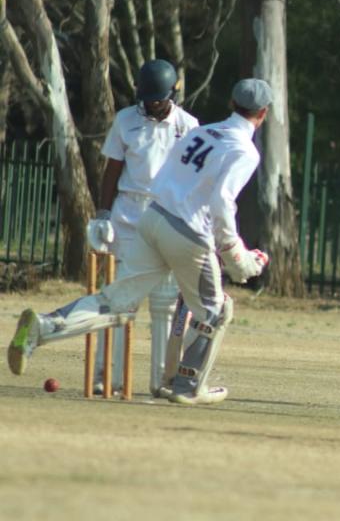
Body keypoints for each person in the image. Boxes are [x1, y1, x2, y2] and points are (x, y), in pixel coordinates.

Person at [7, 79, 273, 405]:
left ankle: (43, 327)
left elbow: (169, 177)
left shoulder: (201, 133)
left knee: (115, 301)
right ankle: (186, 387)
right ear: (263, 113)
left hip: (153, 219)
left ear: (232, 103)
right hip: (188, 234)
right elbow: (221, 201)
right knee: (216, 311)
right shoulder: (245, 150)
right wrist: (236, 255)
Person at [86, 59, 198, 397]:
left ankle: (161, 382)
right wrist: (104, 213)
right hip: (128, 217)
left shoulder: (189, 126)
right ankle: (109, 377)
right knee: (121, 300)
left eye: (157, 100)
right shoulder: (125, 121)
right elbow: (112, 170)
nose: (151, 105)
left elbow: (194, 179)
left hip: (166, 217)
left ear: (172, 95)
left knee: (164, 304)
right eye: (146, 99)